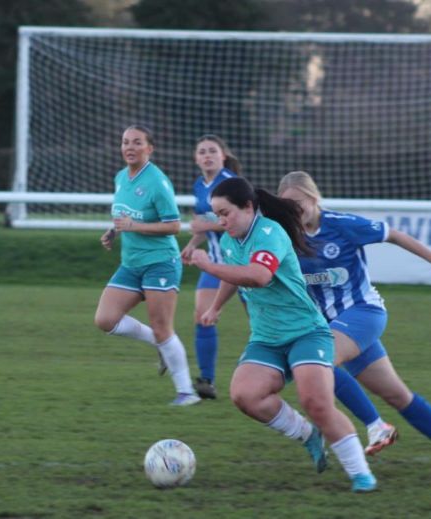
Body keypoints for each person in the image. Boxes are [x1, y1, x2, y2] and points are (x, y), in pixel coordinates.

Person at [277, 170, 431, 481]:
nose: (294, 210)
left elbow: (394, 235)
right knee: (397, 395)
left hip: (363, 313)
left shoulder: (341, 224)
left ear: (313, 198)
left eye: (298, 203)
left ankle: (376, 425)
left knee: (320, 362)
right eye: (287, 205)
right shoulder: (286, 236)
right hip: (335, 326)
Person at [186, 177, 377, 493]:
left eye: (225, 213)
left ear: (248, 207)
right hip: (266, 337)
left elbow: (259, 276)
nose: (221, 221)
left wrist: (209, 266)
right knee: (245, 395)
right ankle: (307, 434)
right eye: (216, 215)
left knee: (317, 403)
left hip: (306, 333)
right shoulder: (233, 240)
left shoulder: (269, 233)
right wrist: (216, 307)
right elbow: (234, 274)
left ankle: (360, 473)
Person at [94, 125, 200, 407]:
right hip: (131, 264)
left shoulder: (158, 182)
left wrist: (134, 226)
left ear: (149, 149)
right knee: (105, 319)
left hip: (160, 263)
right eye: (125, 142)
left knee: (163, 327)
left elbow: (174, 226)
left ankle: (187, 393)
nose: (129, 147)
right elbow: (125, 216)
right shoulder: (121, 177)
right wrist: (113, 231)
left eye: (137, 142)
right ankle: (160, 344)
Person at [180, 135, 240, 400]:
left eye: (212, 151)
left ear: (223, 156)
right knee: (203, 316)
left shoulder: (230, 184)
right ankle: (206, 381)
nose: (207, 156)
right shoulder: (199, 185)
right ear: (196, 158)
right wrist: (192, 244)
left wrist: (204, 225)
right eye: (202, 151)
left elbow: (241, 220)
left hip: (242, 261)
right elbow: (204, 224)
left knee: (263, 323)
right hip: (215, 263)